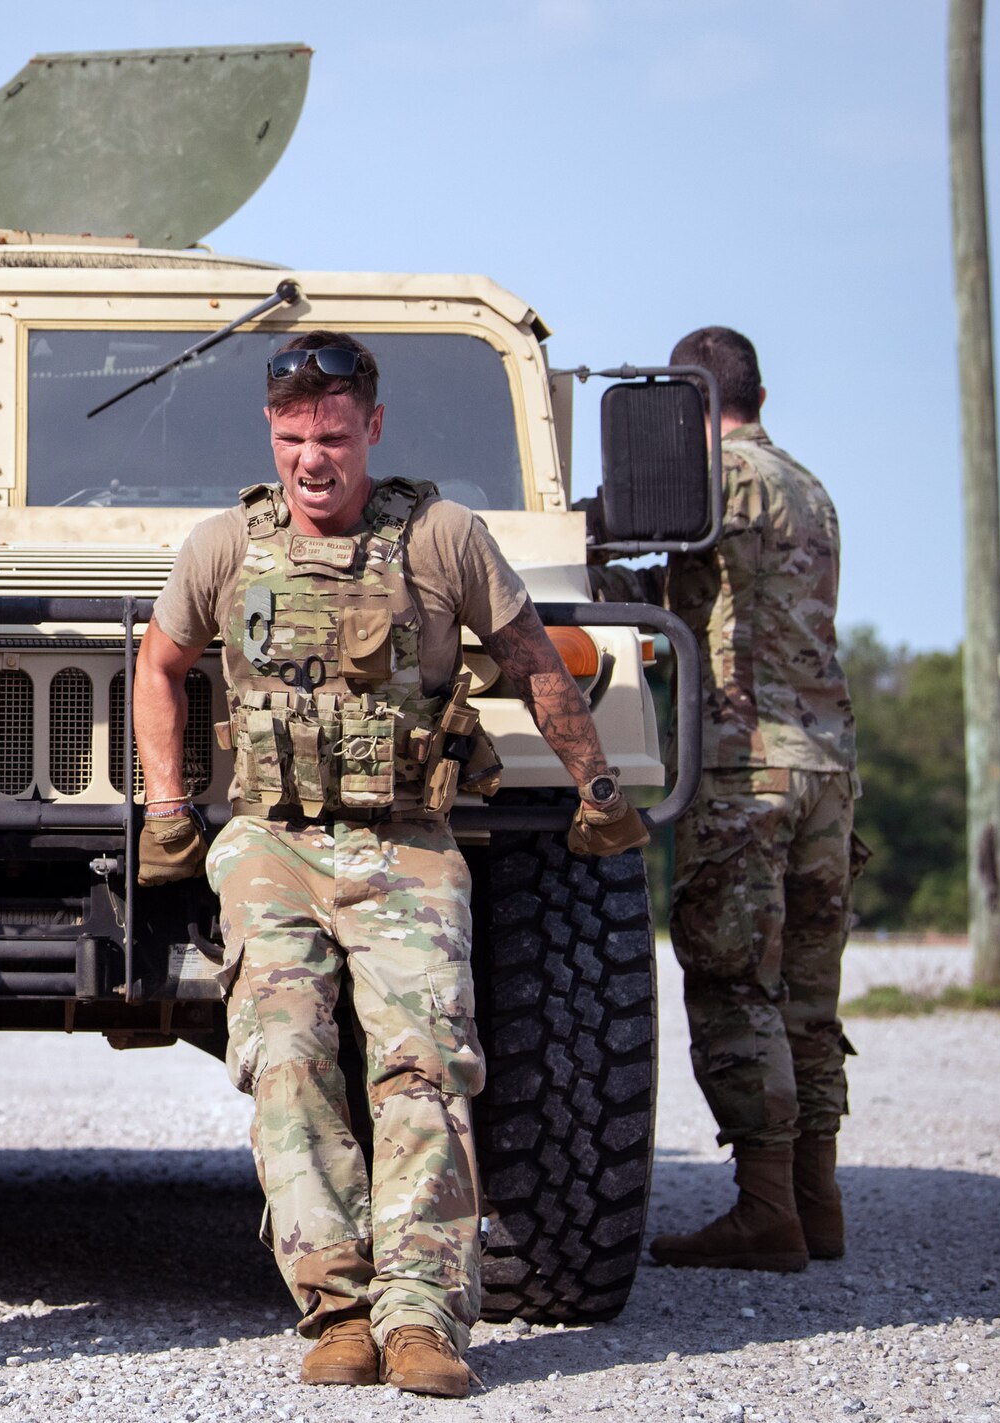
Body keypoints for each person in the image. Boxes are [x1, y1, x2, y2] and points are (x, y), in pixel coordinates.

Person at [133, 331, 647, 1396]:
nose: (309, 460)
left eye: (329, 436)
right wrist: (172, 805)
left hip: (406, 840)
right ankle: (335, 1307)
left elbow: (532, 662)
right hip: (270, 840)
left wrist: (596, 789)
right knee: (283, 1058)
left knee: (425, 1063)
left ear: (370, 427)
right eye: (289, 439)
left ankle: (420, 1317)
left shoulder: (441, 537)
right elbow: (160, 664)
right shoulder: (225, 544)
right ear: (268, 434)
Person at [591, 326, 859, 1272]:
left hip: (747, 769)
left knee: (736, 983)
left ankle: (765, 1211)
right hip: (827, 765)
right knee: (808, 997)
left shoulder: (716, 481)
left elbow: (616, 549)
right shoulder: (808, 485)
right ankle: (816, 1203)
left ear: (688, 400)